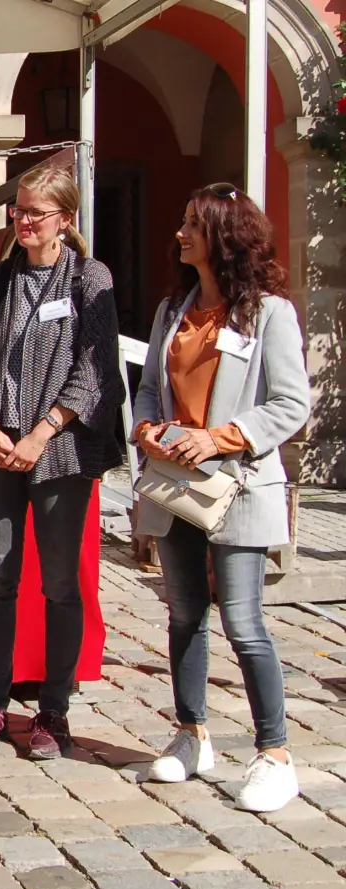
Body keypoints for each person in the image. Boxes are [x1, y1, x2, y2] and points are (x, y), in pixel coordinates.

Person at [135, 184, 310, 812]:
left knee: (243, 620)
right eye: (183, 222)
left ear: (225, 236)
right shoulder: (171, 312)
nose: (180, 233)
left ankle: (275, 755)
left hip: (238, 484)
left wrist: (219, 438)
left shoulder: (270, 314)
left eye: (193, 225)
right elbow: (150, 388)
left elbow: (290, 403)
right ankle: (192, 734)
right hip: (175, 485)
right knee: (184, 613)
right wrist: (147, 428)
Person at [0, 166, 124, 759]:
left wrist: (43, 432)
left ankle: (53, 711)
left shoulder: (88, 278)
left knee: (59, 583)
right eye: (18, 210)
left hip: (61, 451)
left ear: (64, 220)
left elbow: (95, 372)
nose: (22, 221)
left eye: (35, 213)